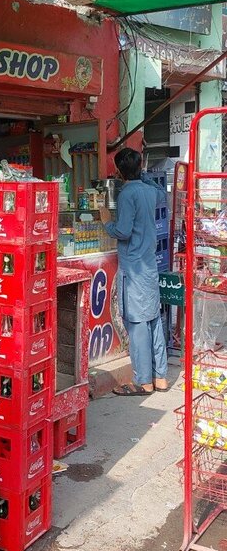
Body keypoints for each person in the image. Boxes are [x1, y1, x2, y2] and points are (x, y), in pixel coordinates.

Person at [99, 147, 169, 396]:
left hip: (134, 268)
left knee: (138, 324)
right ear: (140, 167)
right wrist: (143, 176)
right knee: (153, 321)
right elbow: (162, 193)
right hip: (149, 266)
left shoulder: (127, 193)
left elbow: (123, 231)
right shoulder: (150, 191)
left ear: (118, 171)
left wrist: (106, 219)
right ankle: (160, 377)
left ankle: (143, 382)